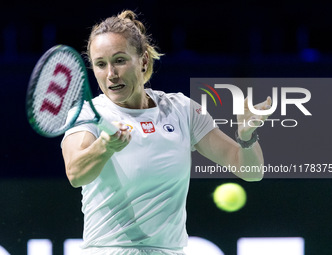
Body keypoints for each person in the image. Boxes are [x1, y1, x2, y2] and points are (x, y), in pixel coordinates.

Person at [61, 10, 271, 255]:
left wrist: (246, 137)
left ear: (143, 60)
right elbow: (75, 173)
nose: (111, 74)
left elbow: (252, 172)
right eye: (100, 64)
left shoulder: (182, 110)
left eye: (120, 60)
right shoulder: (87, 113)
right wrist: (104, 147)